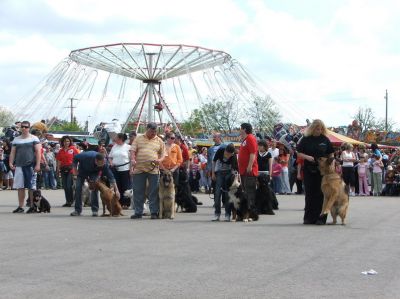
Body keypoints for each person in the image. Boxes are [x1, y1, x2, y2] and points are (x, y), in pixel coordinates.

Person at [297, 119, 334, 225]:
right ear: (312, 128)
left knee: (321, 194)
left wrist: (331, 165)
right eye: (317, 129)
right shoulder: (305, 139)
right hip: (309, 169)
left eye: (321, 129)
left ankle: (321, 218)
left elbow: (331, 154)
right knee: (309, 194)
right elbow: (299, 153)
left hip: (322, 171)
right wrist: (307, 157)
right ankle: (308, 218)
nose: (319, 131)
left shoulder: (325, 139)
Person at [130, 123, 165, 219]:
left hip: (153, 170)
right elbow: (132, 150)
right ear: (147, 129)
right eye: (152, 131)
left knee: (153, 191)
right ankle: (138, 212)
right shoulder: (138, 138)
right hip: (139, 168)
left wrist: (159, 160)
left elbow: (163, 154)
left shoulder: (159, 140)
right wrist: (133, 159)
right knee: (138, 191)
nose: (153, 133)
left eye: (155, 131)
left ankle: (154, 212)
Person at [70, 151, 119, 216]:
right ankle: (77, 210)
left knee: (94, 188)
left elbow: (111, 177)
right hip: (82, 171)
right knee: (78, 188)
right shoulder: (86, 156)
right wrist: (74, 168)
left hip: (94, 173)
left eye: (103, 164)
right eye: (100, 164)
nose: (102, 165)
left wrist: (117, 190)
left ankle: (95, 210)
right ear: (96, 160)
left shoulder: (104, 164)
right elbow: (75, 158)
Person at [8, 121, 41, 213]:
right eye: (22, 127)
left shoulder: (34, 138)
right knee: (20, 187)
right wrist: (11, 163)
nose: (24, 128)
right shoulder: (16, 139)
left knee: (31, 187)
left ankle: (32, 206)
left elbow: (38, 152)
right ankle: (20, 206)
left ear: (29, 128)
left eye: (26, 127)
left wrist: (38, 164)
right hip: (19, 165)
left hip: (30, 165)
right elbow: (12, 152)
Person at [211, 143, 238, 221]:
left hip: (229, 174)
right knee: (217, 194)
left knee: (227, 195)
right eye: (227, 154)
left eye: (230, 155)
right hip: (219, 172)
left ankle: (227, 214)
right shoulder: (220, 150)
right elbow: (214, 161)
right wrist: (213, 173)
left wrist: (235, 179)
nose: (227, 156)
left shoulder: (233, 156)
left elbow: (234, 169)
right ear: (225, 151)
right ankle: (217, 214)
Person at [238, 123, 258, 215]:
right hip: (243, 170)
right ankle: (247, 210)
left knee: (250, 191)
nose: (239, 130)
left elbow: (252, 153)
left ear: (244, 129)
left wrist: (250, 166)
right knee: (246, 192)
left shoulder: (250, 138)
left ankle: (251, 211)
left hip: (249, 170)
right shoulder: (245, 139)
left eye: (240, 128)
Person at [109, 133, 132, 209]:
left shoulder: (128, 147)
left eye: (117, 138)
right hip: (115, 169)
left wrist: (131, 169)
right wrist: (111, 163)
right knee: (117, 186)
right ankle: (118, 202)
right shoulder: (114, 147)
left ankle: (126, 203)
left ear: (121, 139)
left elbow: (131, 159)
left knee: (126, 186)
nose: (115, 139)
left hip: (125, 169)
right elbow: (110, 157)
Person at [56, 136, 79, 207]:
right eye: (65, 141)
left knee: (69, 186)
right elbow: (59, 161)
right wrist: (57, 170)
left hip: (71, 170)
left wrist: (76, 169)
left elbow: (78, 159)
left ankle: (71, 200)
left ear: (70, 142)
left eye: (68, 141)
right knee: (65, 187)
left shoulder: (73, 149)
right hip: (63, 169)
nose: (66, 143)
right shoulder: (61, 150)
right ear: (62, 142)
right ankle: (68, 201)